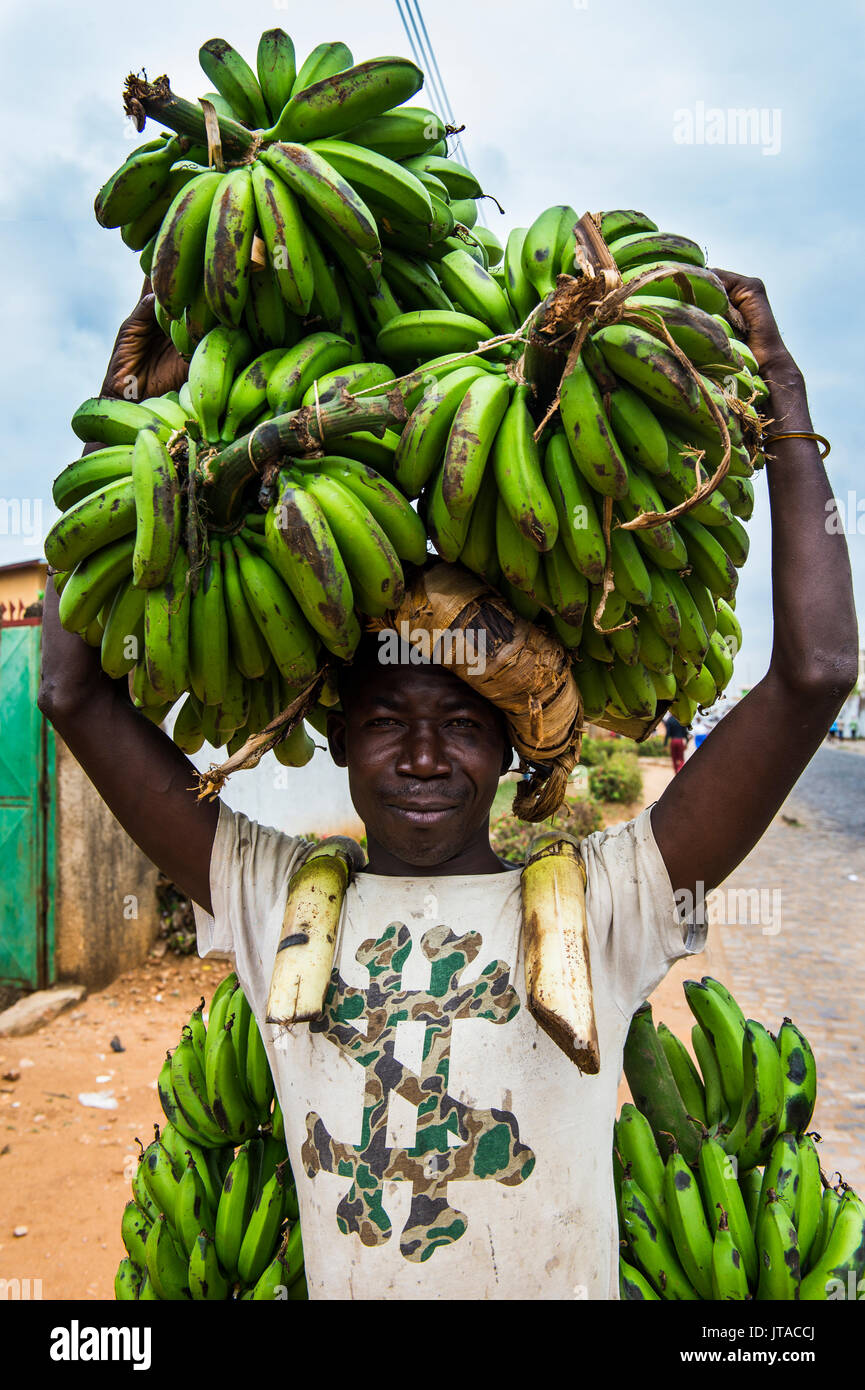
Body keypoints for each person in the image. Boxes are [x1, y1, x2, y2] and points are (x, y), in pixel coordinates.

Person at [38, 270, 858, 1299]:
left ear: (513, 749)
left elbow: (814, 674)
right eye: (387, 722)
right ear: (338, 742)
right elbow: (72, 691)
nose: (423, 756)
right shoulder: (267, 897)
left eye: (462, 726)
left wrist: (781, 394)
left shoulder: (606, 906)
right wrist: (132, 424)